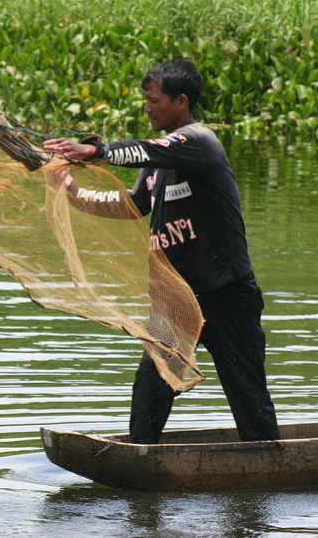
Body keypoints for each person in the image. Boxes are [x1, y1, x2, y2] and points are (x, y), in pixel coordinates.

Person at [43, 59, 280, 443]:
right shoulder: (158, 164)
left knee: (248, 397)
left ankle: (269, 475)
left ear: (181, 102)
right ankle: (140, 465)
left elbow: (144, 150)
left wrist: (96, 151)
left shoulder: (199, 143)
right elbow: (130, 204)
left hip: (227, 294)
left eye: (154, 101)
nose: (147, 108)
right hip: (175, 300)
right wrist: (70, 189)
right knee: (149, 392)